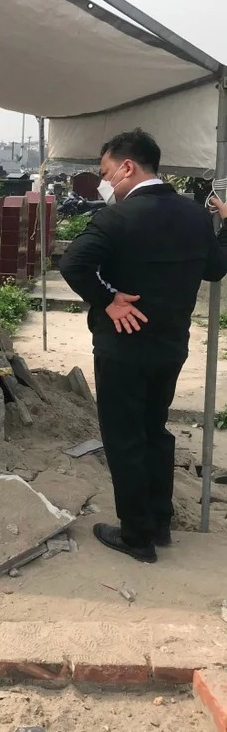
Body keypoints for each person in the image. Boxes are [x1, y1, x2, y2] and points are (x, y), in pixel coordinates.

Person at [60, 128, 227, 563]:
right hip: (171, 347)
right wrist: (225, 226)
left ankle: (137, 537)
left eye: (106, 173)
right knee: (155, 430)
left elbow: (74, 263)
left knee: (124, 438)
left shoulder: (117, 218)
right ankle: (159, 523)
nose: (104, 182)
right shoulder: (194, 215)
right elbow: (215, 269)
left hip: (122, 348)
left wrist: (108, 300)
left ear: (128, 167)